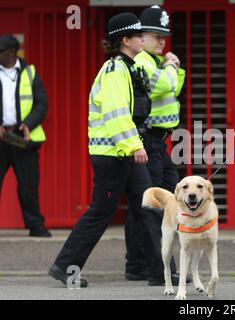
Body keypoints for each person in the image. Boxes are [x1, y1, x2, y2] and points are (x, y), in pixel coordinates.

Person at [48, 12, 167, 287]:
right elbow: (116, 114)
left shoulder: (127, 68)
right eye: (138, 35)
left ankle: (160, 271)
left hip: (125, 153)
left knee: (149, 206)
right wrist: (134, 145)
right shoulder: (114, 71)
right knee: (101, 211)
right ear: (125, 40)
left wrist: (133, 146)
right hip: (113, 155)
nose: (142, 38)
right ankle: (65, 266)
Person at [123, 5, 188, 286]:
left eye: (164, 36)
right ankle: (155, 267)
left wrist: (174, 70)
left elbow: (175, 87)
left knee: (150, 203)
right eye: (155, 35)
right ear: (141, 37)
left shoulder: (158, 61)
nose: (162, 41)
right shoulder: (144, 61)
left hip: (161, 142)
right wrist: (173, 68)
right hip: (148, 140)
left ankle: (136, 265)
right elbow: (163, 87)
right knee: (154, 205)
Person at [0, 34, 51, 237]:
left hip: (23, 139)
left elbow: (42, 103)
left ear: (11, 53)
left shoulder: (30, 73)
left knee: (28, 186)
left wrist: (28, 123)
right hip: (1, 138)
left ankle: (35, 226)